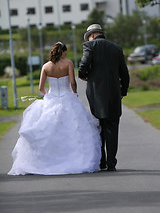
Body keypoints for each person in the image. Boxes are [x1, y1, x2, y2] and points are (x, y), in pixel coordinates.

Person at [8, 42, 101, 175]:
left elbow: (41, 88)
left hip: (51, 98)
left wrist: (48, 96)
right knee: (74, 129)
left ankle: (46, 160)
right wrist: (74, 93)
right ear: (62, 51)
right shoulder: (68, 63)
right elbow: (73, 82)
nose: (66, 54)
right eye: (65, 52)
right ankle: (76, 158)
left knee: (48, 128)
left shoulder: (46, 66)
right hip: (68, 97)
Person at [78, 24, 130, 171]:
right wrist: (122, 91)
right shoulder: (116, 48)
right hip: (114, 94)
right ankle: (111, 163)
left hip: (96, 94)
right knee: (112, 128)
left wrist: (84, 75)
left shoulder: (89, 46)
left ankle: (101, 161)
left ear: (92, 35)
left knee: (98, 127)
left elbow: (83, 64)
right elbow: (124, 74)